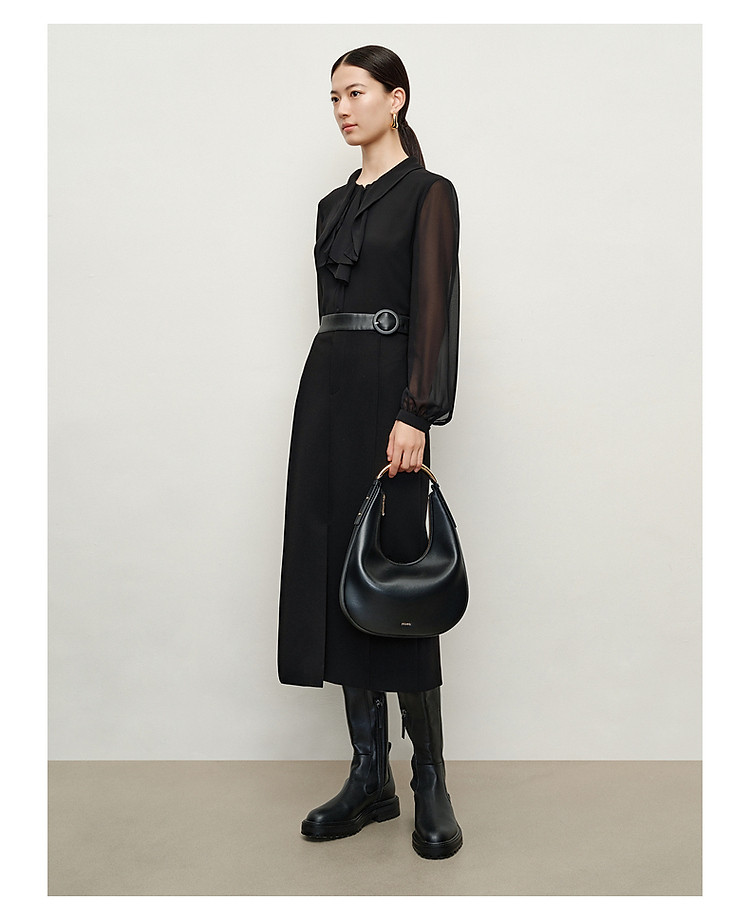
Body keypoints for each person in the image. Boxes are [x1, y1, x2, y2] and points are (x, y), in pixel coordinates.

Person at [277, 45, 462, 860]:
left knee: (396, 578)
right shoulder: (330, 205)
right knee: (338, 572)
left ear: (397, 98)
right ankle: (368, 774)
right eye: (333, 98)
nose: (343, 109)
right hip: (327, 391)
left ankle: (430, 780)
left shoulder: (429, 193)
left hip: (392, 396)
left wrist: (416, 411)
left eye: (356, 93)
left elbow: (435, 306)